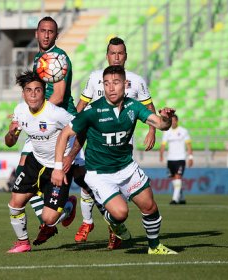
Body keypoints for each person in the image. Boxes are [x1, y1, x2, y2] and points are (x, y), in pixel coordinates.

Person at [51, 65, 178, 255]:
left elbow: (161, 125)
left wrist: (166, 118)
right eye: (107, 83)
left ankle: (154, 246)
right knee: (121, 213)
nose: (111, 88)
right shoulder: (93, 110)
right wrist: (58, 167)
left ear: (125, 84)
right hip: (99, 173)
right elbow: (64, 135)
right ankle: (113, 220)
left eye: (116, 83)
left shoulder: (133, 106)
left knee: (150, 206)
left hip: (126, 167)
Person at [14, 16, 104, 247]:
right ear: (36, 33)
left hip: (61, 124)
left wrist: (36, 112)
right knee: (24, 173)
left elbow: (59, 96)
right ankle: (49, 221)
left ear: (56, 35)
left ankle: (112, 220)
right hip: (42, 125)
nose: (46, 35)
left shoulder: (59, 58)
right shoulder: (38, 59)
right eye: (42, 31)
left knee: (83, 178)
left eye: (50, 31)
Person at [72, 37, 157, 248]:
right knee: (91, 183)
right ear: (107, 55)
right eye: (113, 53)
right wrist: (73, 133)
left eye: (120, 53)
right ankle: (91, 221)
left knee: (124, 194)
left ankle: (113, 226)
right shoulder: (95, 78)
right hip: (94, 145)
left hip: (121, 149)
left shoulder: (137, 81)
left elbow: (149, 107)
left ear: (126, 56)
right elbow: (80, 107)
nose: (116, 57)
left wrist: (152, 130)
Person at [5, 70, 77, 253]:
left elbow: (81, 131)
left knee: (49, 219)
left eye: (37, 90)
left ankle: (68, 204)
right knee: (15, 203)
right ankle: (23, 242)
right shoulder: (20, 110)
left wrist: (69, 157)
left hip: (57, 167)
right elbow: (10, 142)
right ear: (23, 94)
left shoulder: (56, 114)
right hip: (35, 162)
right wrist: (11, 134)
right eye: (29, 90)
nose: (33, 94)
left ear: (44, 92)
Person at [160, 114, 193, 204]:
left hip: (180, 158)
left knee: (178, 177)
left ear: (177, 121)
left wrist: (190, 157)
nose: (173, 122)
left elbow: (188, 145)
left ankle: (175, 199)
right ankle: (181, 198)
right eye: (171, 121)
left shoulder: (183, 131)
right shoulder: (167, 131)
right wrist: (161, 155)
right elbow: (163, 144)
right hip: (170, 159)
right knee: (174, 179)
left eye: (174, 120)